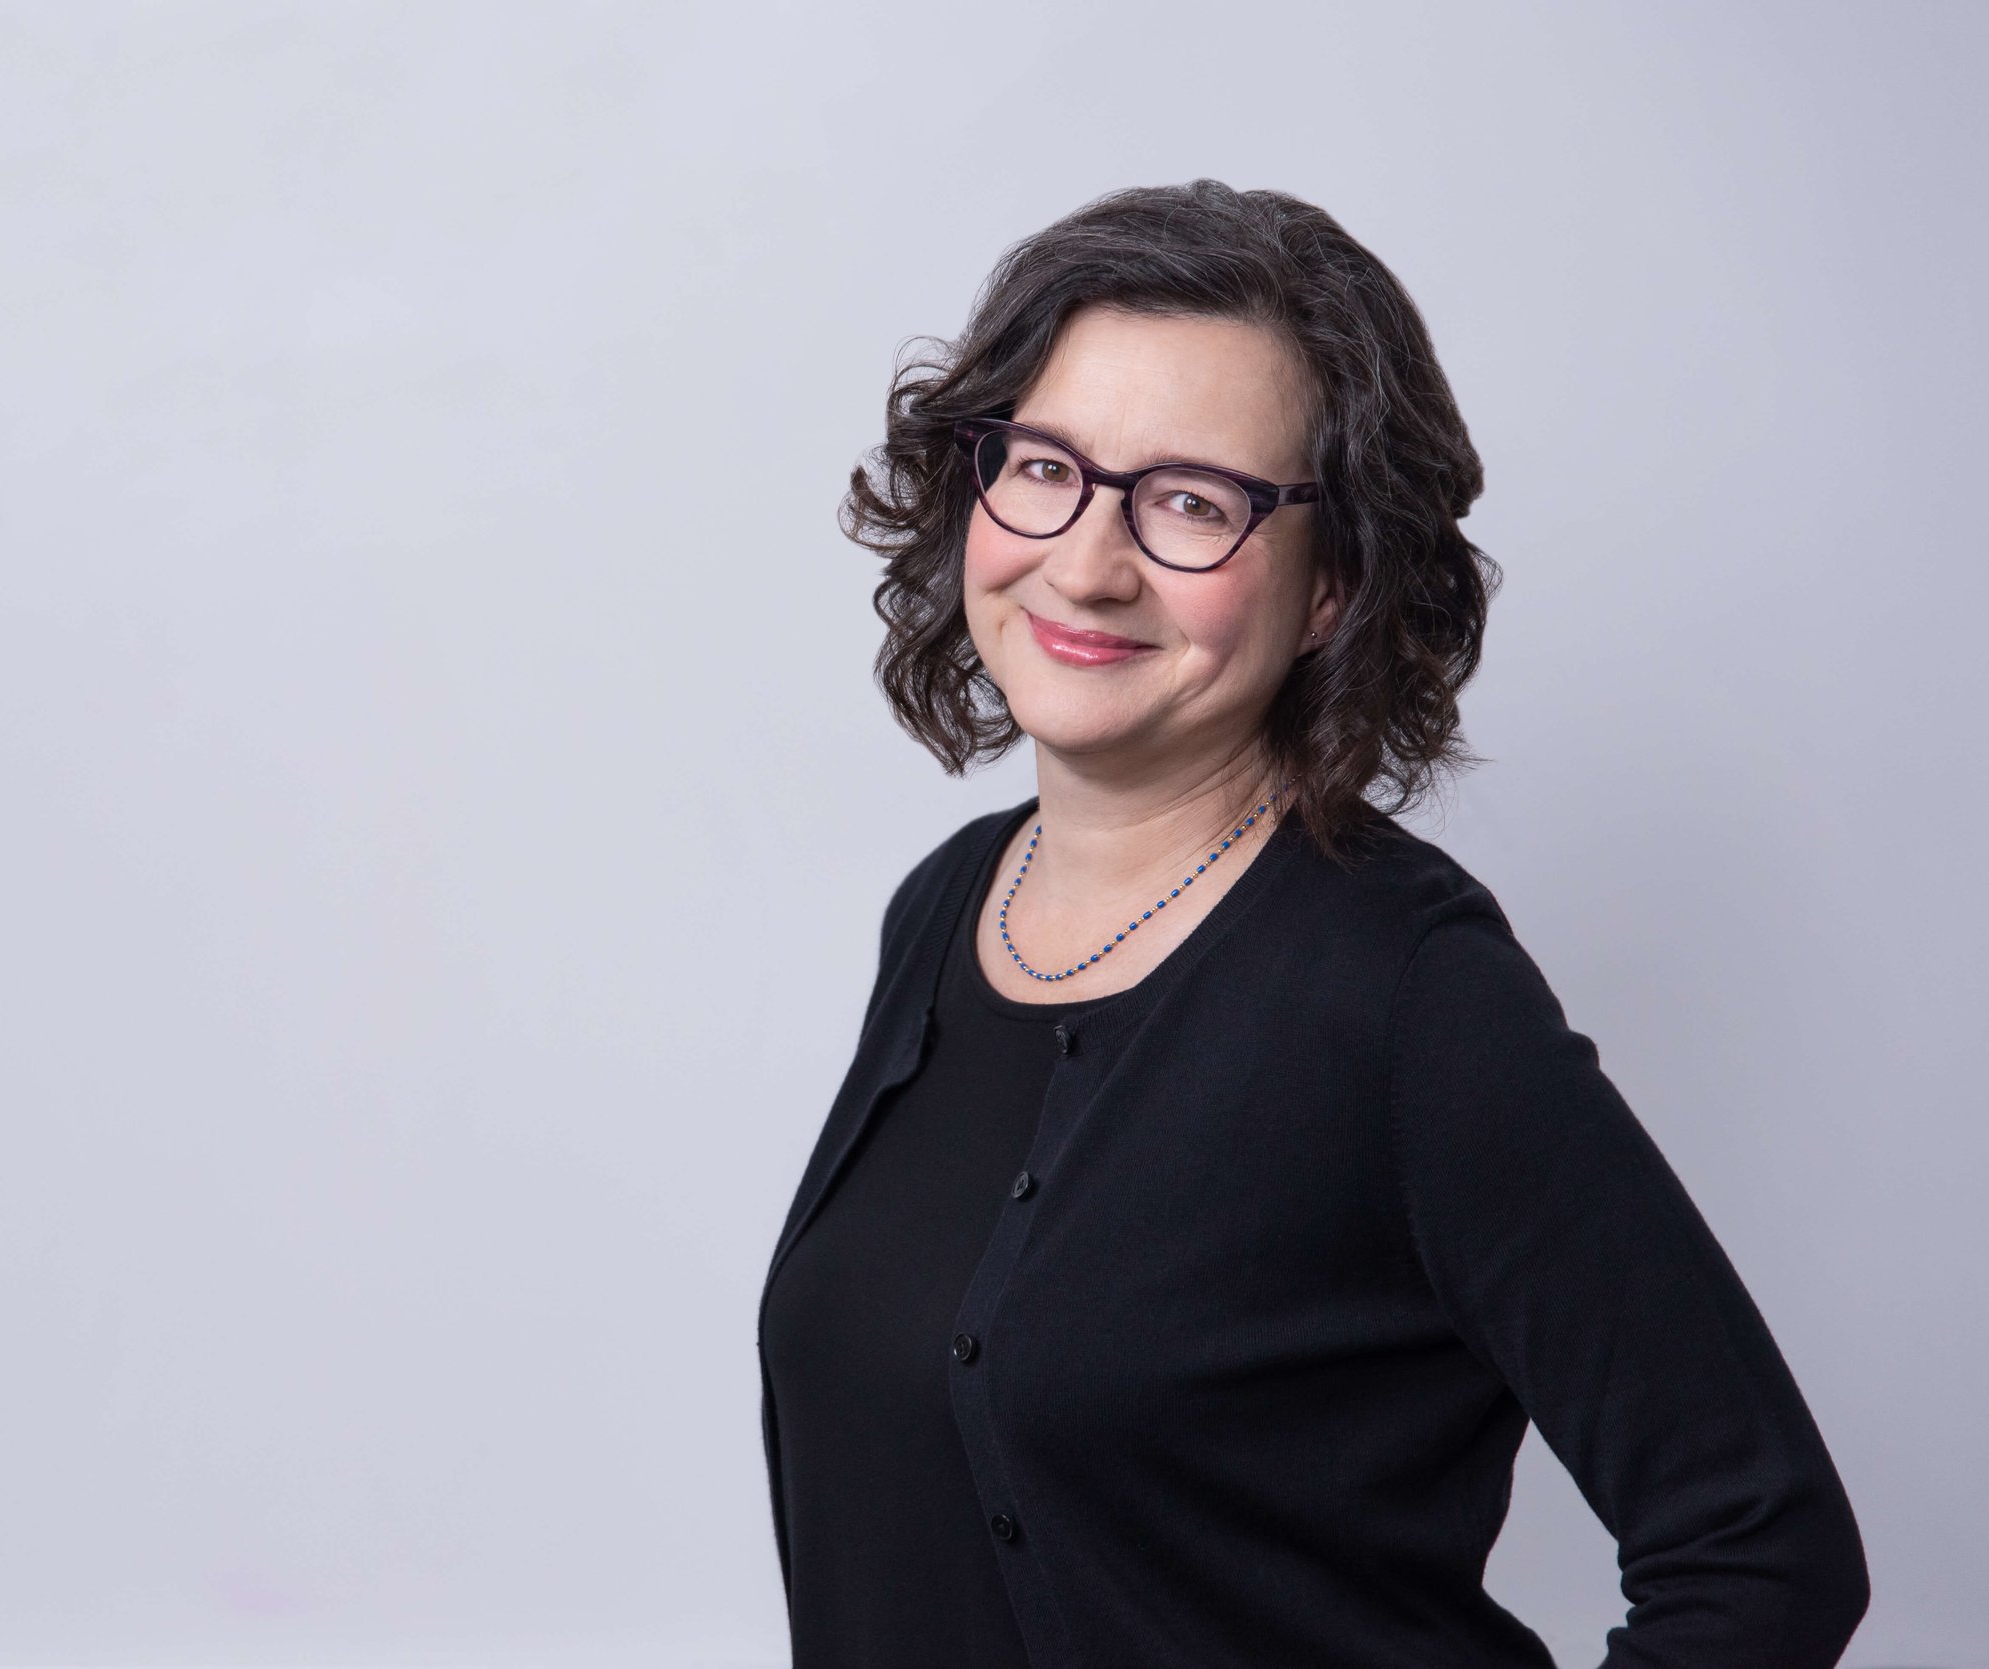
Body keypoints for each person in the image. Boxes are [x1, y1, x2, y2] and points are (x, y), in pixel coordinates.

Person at [754, 181, 1868, 1669]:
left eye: (1192, 503)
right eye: (1045, 467)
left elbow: (1763, 1551)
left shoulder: (1407, 991)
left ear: (1334, 583)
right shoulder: (950, 906)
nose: (1085, 563)